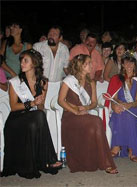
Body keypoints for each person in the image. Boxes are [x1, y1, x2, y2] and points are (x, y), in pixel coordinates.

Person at [1, 49, 62, 179]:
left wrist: (39, 103)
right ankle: (49, 159)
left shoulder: (43, 82)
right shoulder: (15, 82)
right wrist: (32, 104)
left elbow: (41, 107)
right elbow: (13, 107)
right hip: (16, 120)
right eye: (21, 60)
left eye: (25, 60)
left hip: (34, 118)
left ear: (34, 63)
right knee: (38, 117)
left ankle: (41, 161)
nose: (21, 63)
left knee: (39, 117)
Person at [58, 54, 118, 174]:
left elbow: (94, 103)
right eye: (89, 63)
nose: (92, 65)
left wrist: (86, 107)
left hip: (85, 115)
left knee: (95, 122)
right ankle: (106, 162)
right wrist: (75, 111)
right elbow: (60, 100)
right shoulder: (69, 81)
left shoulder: (92, 82)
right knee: (96, 121)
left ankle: (100, 161)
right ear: (81, 65)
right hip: (70, 116)